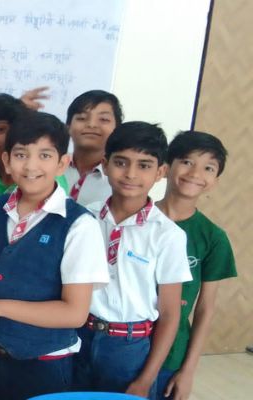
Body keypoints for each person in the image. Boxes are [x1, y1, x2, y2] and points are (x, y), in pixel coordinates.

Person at [0, 111, 108, 400]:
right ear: (7, 160)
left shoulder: (80, 225)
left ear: (62, 164)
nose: (31, 166)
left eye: (44, 155)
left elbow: (74, 313)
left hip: (43, 368)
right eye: (21, 155)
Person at [74, 122, 192, 399]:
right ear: (105, 165)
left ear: (161, 172)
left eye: (144, 165)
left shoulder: (168, 235)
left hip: (129, 347)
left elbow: (170, 314)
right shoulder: (84, 218)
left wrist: (145, 379)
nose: (130, 174)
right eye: (121, 162)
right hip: (78, 334)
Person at [155, 131, 237, 400]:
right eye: (187, 161)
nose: (195, 173)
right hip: (122, 347)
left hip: (172, 356)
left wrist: (188, 370)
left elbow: (205, 307)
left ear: (214, 181)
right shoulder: (138, 220)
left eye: (208, 168)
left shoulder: (213, 237)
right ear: (167, 166)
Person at [63, 90, 123, 206]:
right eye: (82, 118)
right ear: (68, 126)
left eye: (103, 119)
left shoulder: (121, 178)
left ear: (117, 129)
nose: (91, 125)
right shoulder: (52, 167)